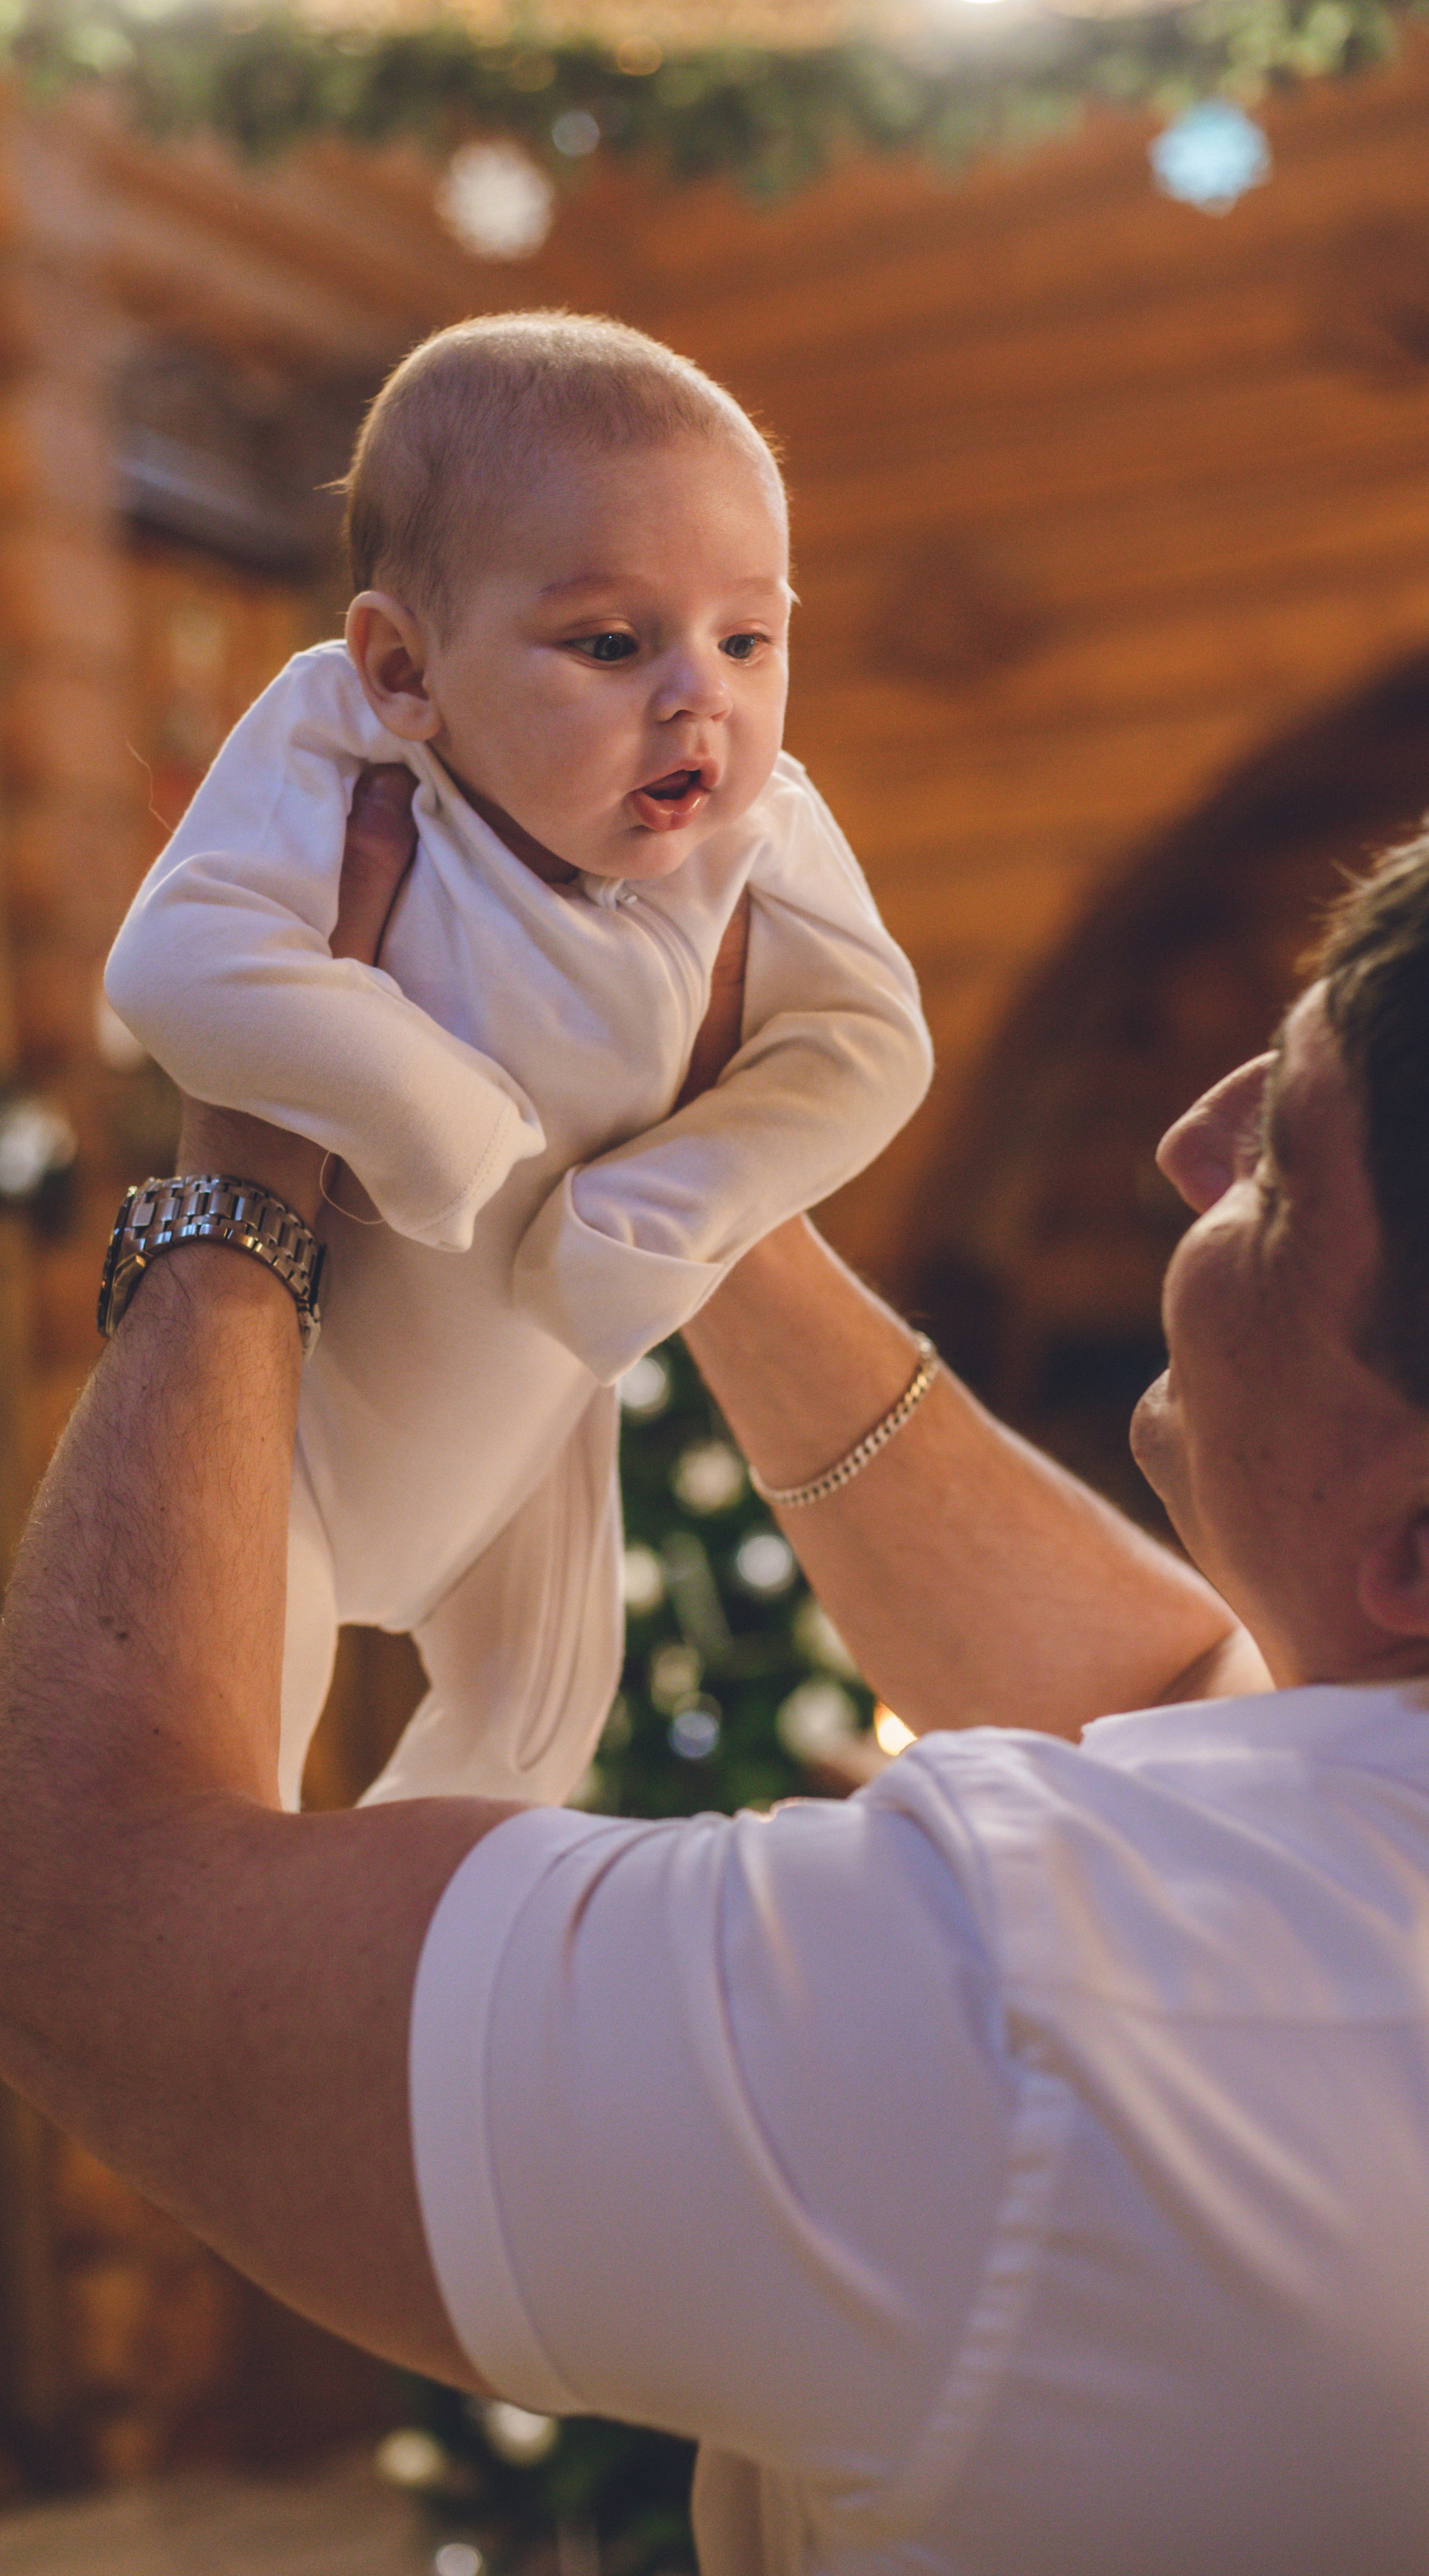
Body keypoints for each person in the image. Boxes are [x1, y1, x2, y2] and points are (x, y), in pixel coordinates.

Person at [0, 794, 1429, 2576]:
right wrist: (694, 1190)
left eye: (1285, 1177)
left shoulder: (1049, 2007)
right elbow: (1170, 1698)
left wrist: (248, 1147)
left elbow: (113, 1940)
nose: (1186, 1145)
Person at [102, 311, 929, 1811]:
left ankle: (409, 1975)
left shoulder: (758, 829)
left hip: (540, 1411)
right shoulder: (341, 745)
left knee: (535, 1726)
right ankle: (250, 1969)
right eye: (611, 644)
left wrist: (669, 1203)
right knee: (223, 1746)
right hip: (299, 1410)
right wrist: (424, 1109)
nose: (703, 701)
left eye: (749, 638)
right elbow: (174, 965)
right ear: (405, 666)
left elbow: (867, 1047)